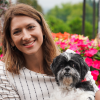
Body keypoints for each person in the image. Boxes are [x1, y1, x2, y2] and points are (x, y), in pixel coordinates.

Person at [0, 3, 100, 100]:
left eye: (30, 27)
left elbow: (95, 94)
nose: (26, 37)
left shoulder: (73, 59)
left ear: (42, 29)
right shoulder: (6, 77)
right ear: (11, 40)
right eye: (17, 32)